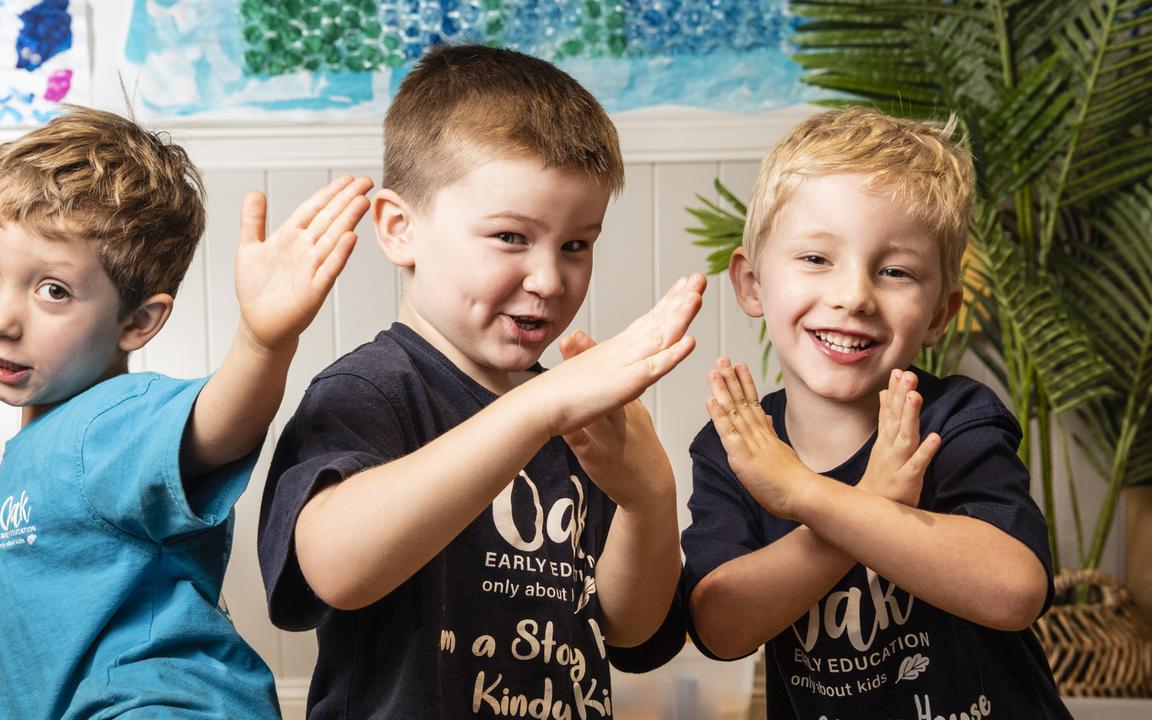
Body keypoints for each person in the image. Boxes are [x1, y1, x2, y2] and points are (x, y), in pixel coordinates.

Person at [258, 44, 702, 718]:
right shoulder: (371, 390)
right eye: (510, 237)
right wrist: (536, 410)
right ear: (400, 229)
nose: (550, 280)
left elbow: (630, 630)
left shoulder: (576, 415)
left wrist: (648, 495)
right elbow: (335, 570)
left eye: (576, 244)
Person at [0, 105, 373, 718]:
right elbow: (68, 526)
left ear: (138, 321)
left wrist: (262, 342)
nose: (0, 317)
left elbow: (214, 427)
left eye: (52, 289)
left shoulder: (118, 418)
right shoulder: (60, 439)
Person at [682, 105, 1070, 718]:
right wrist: (869, 501)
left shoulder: (953, 420)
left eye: (895, 271)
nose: (853, 295)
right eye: (816, 258)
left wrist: (805, 495)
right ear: (752, 283)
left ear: (941, 314)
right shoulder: (738, 446)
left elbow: (1015, 590)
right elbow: (720, 628)